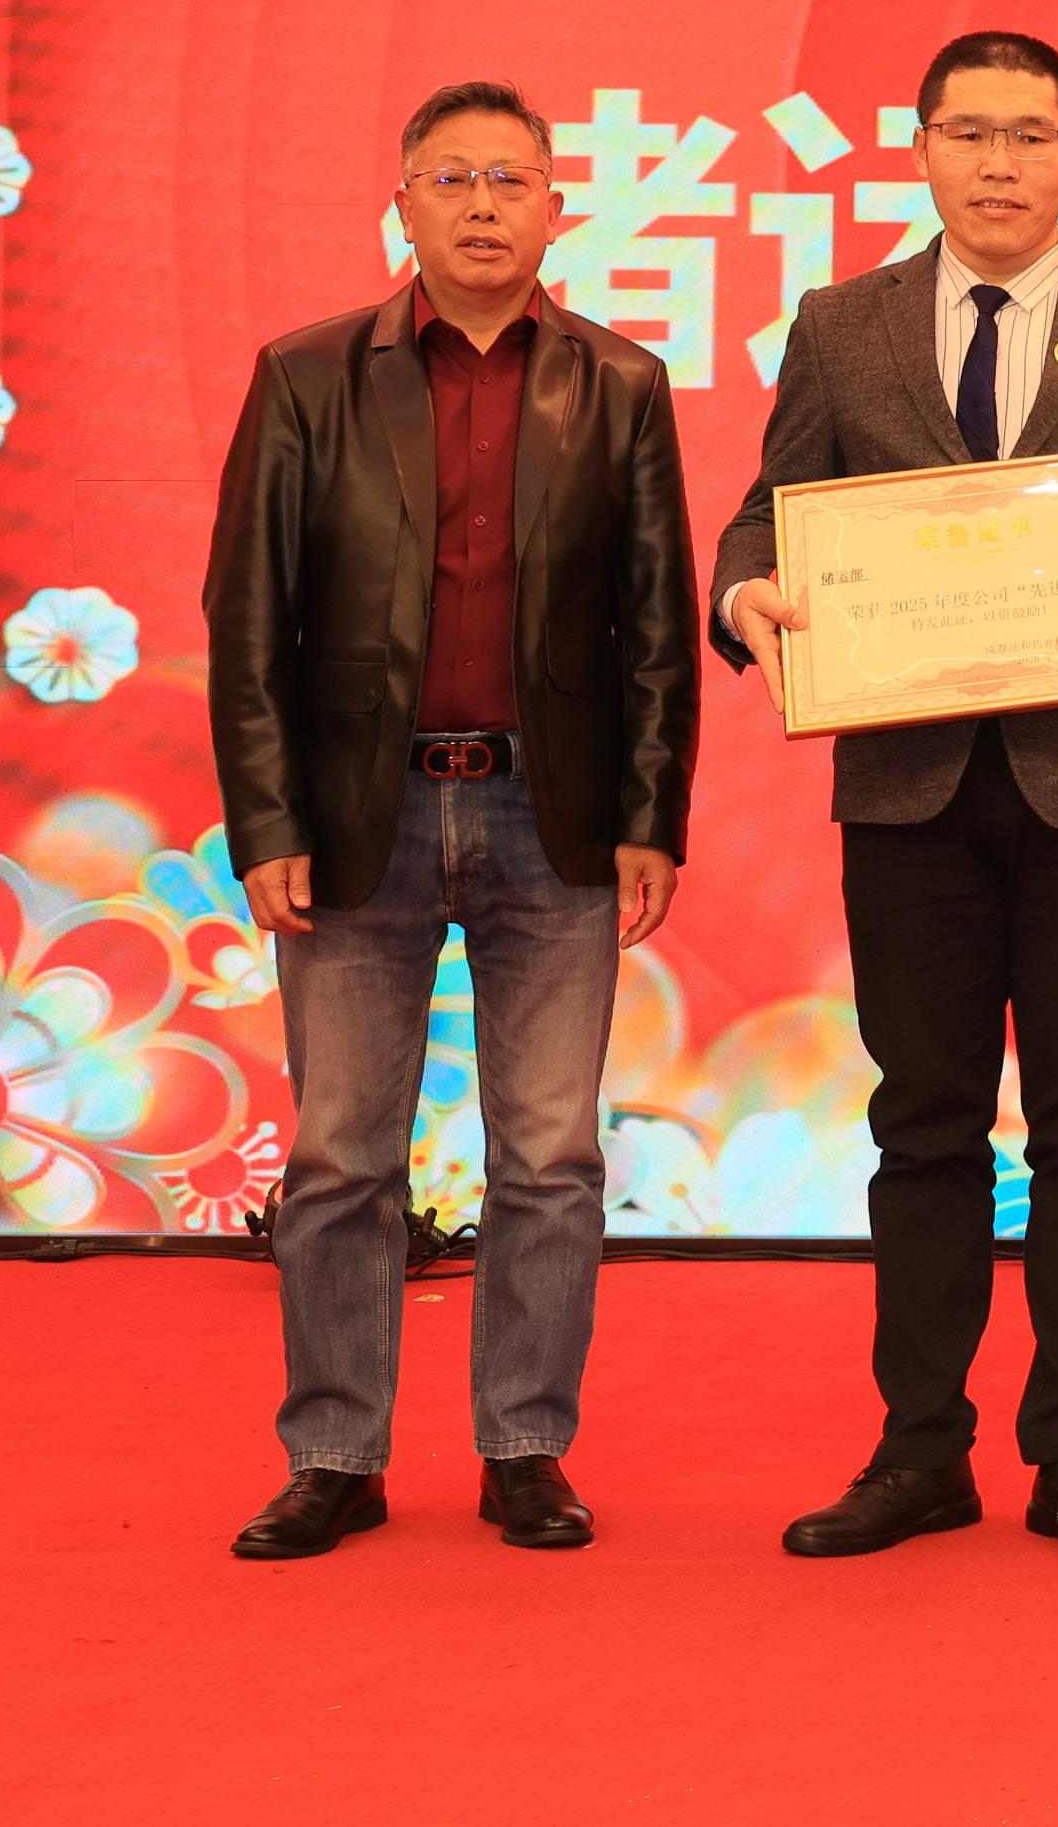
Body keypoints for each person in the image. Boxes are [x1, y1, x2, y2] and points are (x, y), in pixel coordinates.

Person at [713, 29, 1058, 1564]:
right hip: (909, 789)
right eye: (970, 134)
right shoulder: (843, 325)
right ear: (923, 149)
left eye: (1031, 135)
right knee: (924, 1125)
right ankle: (920, 1449)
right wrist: (748, 593)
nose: (1000, 164)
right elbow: (767, 516)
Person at [202, 80, 699, 1561]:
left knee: (549, 1157)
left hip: (554, 818)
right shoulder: (307, 376)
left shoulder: (621, 383)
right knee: (340, 1158)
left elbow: (657, 625)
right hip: (363, 814)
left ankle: (526, 1447)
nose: (484, 205)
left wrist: (652, 816)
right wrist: (266, 821)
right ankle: (335, 1455)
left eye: (511, 179)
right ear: (404, 204)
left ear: (556, 207)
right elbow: (248, 620)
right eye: (452, 178)